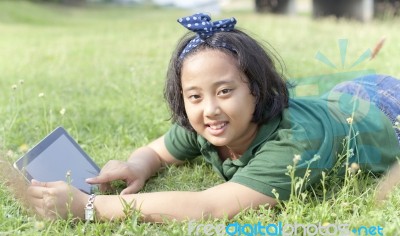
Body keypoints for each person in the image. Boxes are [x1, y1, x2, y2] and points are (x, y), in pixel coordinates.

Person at [27, 13, 400, 222]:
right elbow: (156, 151)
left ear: (256, 89)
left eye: (225, 91)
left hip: (383, 106)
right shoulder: (208, 124)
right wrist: (136, 165)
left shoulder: (293, 142)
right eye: (195, 96)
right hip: (336, 99)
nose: (210, 108)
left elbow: (213, 205)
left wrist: (91, 207)